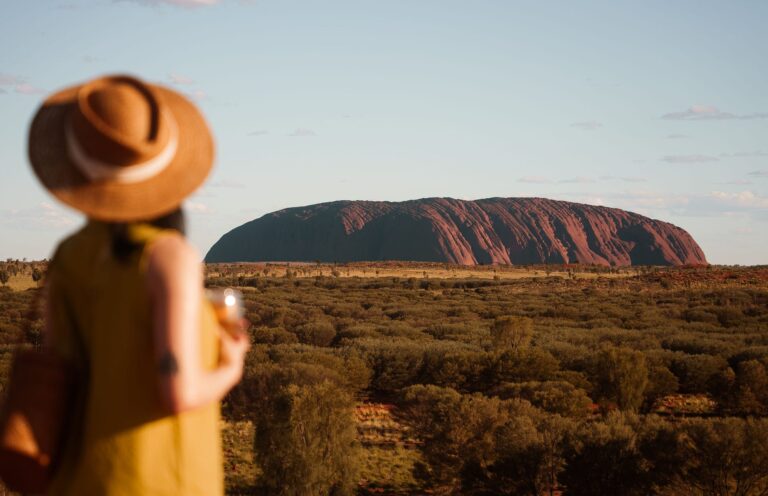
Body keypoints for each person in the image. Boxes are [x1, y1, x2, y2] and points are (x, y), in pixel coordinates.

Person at [27, 74, 250, 495]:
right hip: (154, 479)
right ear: (165, 164)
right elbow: (179, 393)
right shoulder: (167, 256)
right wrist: (231, 366)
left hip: (74, 478)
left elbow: (61, 368)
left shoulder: (70, 254)